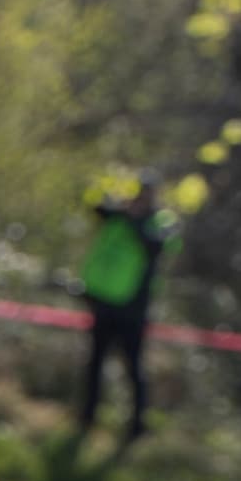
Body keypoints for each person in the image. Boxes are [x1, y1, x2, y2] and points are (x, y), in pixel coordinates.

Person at [75, 179, 180, 444]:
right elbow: (96, 206)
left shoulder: (161, 222)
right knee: (95, 362)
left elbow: (156, 247)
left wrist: (135, 219)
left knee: (133, 367)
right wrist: (115, 193)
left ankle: (137, 426)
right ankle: (87, 418)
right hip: (104, 303)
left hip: (133, 310)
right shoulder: (120, 215)